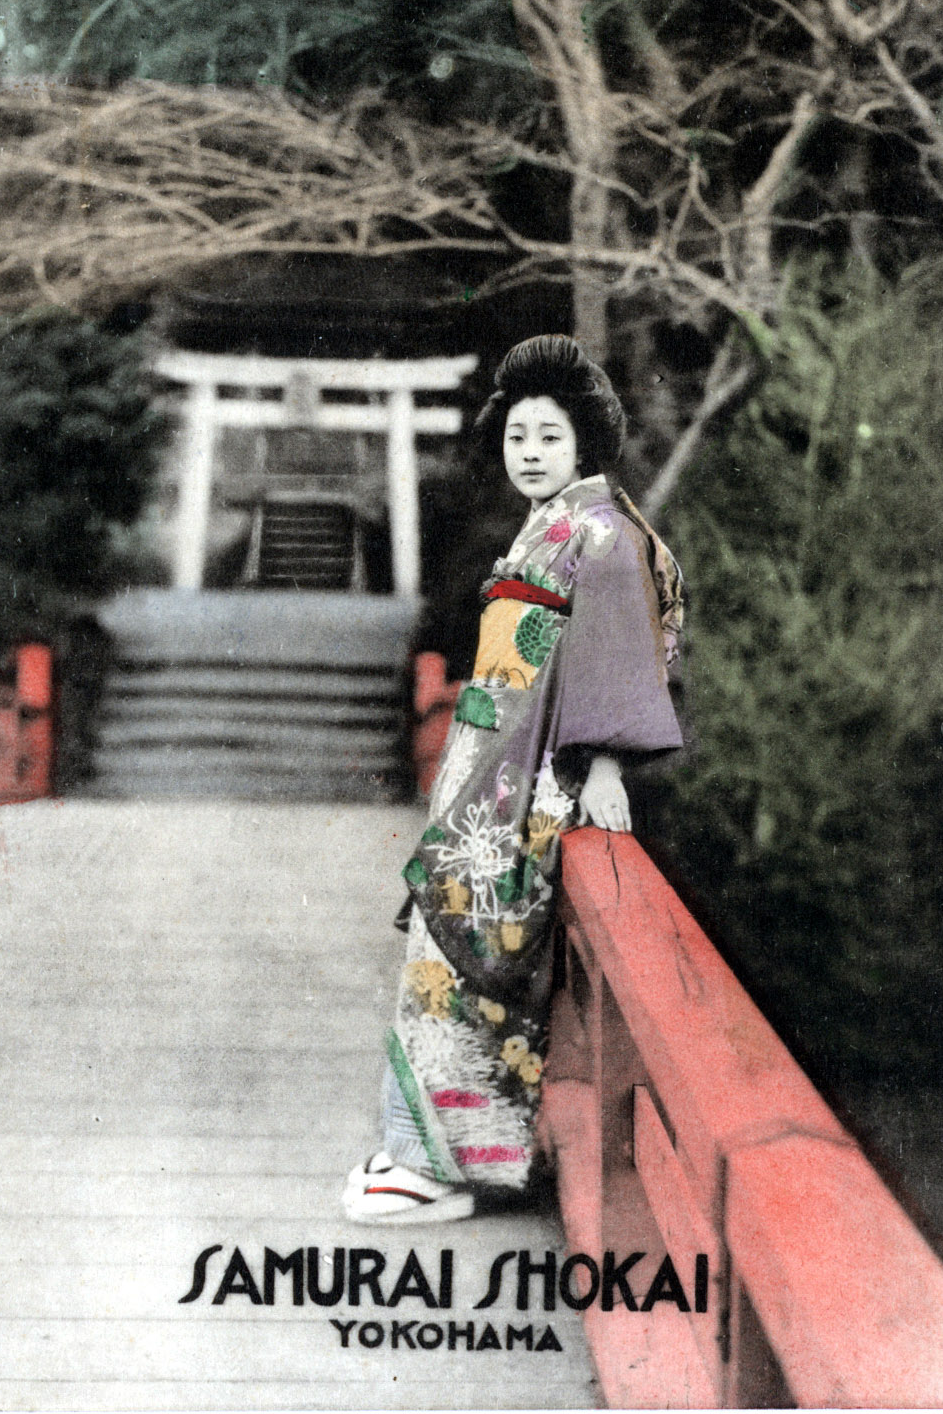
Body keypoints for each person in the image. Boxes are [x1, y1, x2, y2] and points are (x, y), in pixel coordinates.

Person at [342, 334, 684, 1222]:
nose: (529, 453)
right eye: (516, 437)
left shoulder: (599, 533)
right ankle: (427, 1151)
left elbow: (620, 655)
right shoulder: (551, 525)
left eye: (548, 437)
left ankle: (448, 1167)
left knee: (470, 964)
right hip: (487, 777)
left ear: (583, 444)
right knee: (443, 954)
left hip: (530, 783)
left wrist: (604, 763)